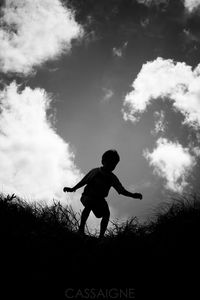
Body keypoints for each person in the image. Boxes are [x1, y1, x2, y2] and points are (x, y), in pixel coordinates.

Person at [63, 150, 142, 238]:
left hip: (100, 200)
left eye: (114, 164)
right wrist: (73, 188)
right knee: (89, 205)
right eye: (110, 162)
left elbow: (121, 190)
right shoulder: (95, 172)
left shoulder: (112, 178)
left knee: (106, 214)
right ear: (103, 161)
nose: (112, 165)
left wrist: (133, 195)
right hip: (87, 196)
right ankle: (81, 229)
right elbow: (83, 181)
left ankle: (101, 237)